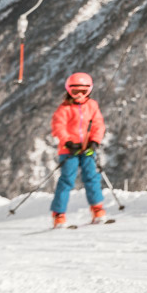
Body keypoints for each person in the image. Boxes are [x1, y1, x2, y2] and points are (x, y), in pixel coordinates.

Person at [50, 72, 108, 227]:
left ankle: (97, 209)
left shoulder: (92, 106)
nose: (80, 95)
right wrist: (68, 142)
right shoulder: (64, 108)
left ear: (89, 90)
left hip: (87, 148)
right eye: (75, 91)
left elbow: (98, 124)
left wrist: (95, 141)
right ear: (69, 90)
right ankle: (59, 215)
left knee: (92, 178)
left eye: (84, 91)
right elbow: (58, 126)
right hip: (69, 151)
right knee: (67, 180)